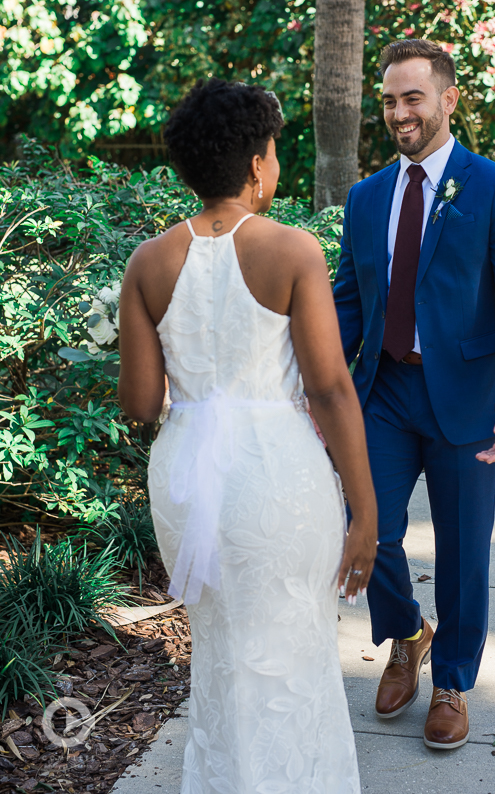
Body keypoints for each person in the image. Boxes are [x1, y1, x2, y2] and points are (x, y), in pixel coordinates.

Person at [118, 78, 378, 794]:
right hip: (275, 478)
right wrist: (366, 513)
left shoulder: (147, 261)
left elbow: (141, 401)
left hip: (187, 480)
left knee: (224, 656)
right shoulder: (292, 250)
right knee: (292, 656)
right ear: (258, 163)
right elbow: (328, 388)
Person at [333, 39, 495, 750]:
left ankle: (450, 679)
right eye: (389, 100)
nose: (399, 113)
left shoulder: (493, 187)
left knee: (462, 552)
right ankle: (404, 634)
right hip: (384, 391)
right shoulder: (364, 199)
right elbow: (346, 304)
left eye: (412, 97)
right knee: (370, 529)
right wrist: (307, 376)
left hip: (465, 397)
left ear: (448, 99)